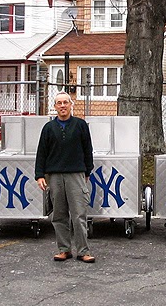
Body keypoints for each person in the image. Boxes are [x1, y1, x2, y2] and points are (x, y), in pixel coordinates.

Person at [35, 92, 95, 263]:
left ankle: (83, 251)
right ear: (54, 107)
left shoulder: (81, 125)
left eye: (65, 103)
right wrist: (39, 175)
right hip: (54, 176)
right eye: (59, 103)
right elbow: (42, 153)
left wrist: (87, 171)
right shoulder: (48, 128)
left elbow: (87, 150)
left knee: (78, 215)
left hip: (76, 174)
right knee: (59, 215)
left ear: (71, 105)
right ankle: (64, 249)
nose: (62, 106)